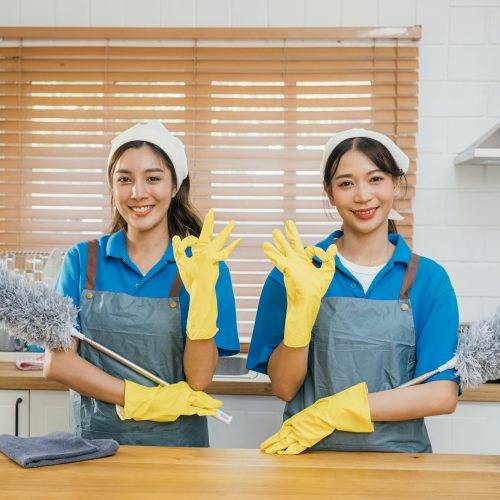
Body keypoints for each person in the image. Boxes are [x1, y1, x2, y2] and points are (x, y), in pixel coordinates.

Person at [247, 128, 459, 454]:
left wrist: (339, 410)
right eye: (346, 183)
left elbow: (441, 394)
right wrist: (300, 318)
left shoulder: (428, 279)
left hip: (402, 465)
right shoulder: (295, 271)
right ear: (329, 193)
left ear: (396, 184)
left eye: (375, 179)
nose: (362, 195)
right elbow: (284, 387)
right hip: (308, 459)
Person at [44, 121, 240, 447]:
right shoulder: (82, 260)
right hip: (94, 448)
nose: (138, 193)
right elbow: (58, 362)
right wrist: (137, 398)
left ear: (176, 186)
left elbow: (200, 378)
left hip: (178, 452)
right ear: (112, 186)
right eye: (124, 179)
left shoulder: (204, 265)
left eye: (153, 178)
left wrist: (204, 296)